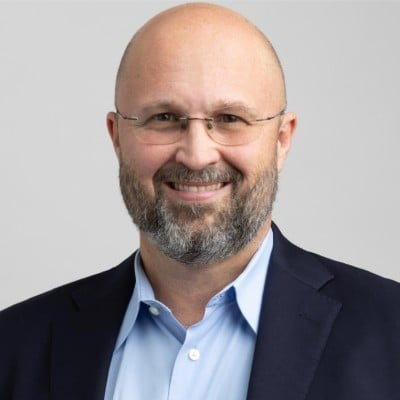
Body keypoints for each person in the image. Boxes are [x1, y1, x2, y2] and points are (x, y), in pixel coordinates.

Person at [1, 2, 399, 399]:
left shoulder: (391, 333)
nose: (196, 155)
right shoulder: (13, 347)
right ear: (117, 136)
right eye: (163, 118)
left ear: (282, 140)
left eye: (229, 119)